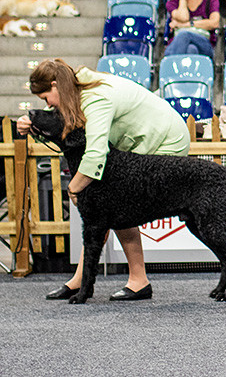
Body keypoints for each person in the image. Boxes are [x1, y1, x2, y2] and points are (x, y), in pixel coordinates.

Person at [15, 59, 190, 301]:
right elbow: (59, 116)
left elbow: (96, 152)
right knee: (106, 209)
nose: (48, 105)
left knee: (116, 205)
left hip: (165, 141)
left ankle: (137, 281)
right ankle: (84, 280)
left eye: (46, 98)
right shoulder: (77, 85)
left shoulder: (95, 97)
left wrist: (73, 188)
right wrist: (31, 121)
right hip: (137, 142)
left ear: (56, 85)